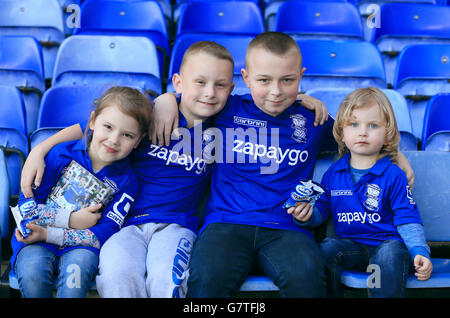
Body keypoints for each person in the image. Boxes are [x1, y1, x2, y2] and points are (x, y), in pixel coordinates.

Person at [19, 40, 327, 298]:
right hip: (125, 223)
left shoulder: (225, 116)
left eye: (219, 86)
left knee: (167, 281)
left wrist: (299, 96)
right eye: (200, 84)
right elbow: (94, 126)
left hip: (176, 225)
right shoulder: (152, 115)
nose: (209, 93)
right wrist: (39, 149)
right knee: (116, 278)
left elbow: (279, 101)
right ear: (178, 83)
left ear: (231, 88)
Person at [152, 32, 416, 298]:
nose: (276, 91)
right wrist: (165, 100)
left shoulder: (314, 119)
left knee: (309, 279)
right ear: (245, 78)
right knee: (206, 284)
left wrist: (394, 154)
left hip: (287, 228)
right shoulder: (226, 107)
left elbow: (359, 137)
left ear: (300, 77)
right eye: (264, 80)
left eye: (287, 80)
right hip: (227, 223)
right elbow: (192, 97)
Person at [290, 87, 433, 297]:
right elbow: (322, 207)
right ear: (341, 132)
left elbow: (407, 218)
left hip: (386, 245)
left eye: (373, 125)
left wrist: (419, 251)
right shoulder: (334, 172)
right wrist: (307, 215)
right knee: (326, 250)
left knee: (389, 255)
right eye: (354, 124)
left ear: (387, 134)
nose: (362, 132)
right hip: (351, 246)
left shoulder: (393, 174)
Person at [11, 86, 151, 297]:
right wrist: (70, 219)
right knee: (33, 276)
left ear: (138, 141)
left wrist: (53, 234)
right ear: (93, 121)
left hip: (81, 247)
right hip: (35, 238)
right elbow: (27, 205)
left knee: (74, 284)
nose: (114, 140)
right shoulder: (60, 154)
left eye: (127, 135)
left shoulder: (128, 182)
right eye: (108, 127)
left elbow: (106, 231)